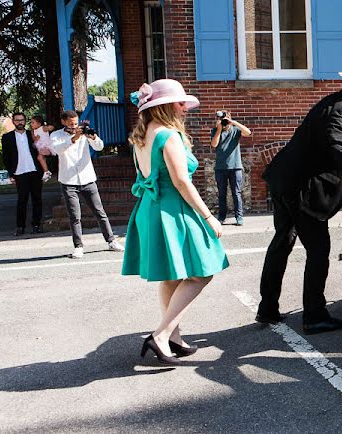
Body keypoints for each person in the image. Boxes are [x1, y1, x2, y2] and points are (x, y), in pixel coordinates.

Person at [257, 59, 342, 334]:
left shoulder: (332, 104)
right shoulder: (340, 111)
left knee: (281, 244)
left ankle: (267, 309)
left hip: (285, 181)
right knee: (318, 251)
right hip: (301, 191)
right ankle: (314, 316)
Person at [121, 79, 229, 365]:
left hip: (150, 209)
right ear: (166, 106)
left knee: (172, 275)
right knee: (203, 270)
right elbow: (182, 181)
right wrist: (209, 217)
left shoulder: (142, 137)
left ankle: (173, 336)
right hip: (172, 208)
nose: (185, 108)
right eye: (181, 103)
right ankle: (162, 334)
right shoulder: (168, 135)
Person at [50, 110, 125, 259]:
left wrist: (93, 137)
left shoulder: (83, 133)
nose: (74, 126)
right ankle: (78, 246)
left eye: (76, 123)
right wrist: (73, 138)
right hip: (68, 181)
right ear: (64, 122)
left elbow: (99, 147)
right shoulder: (56, 135)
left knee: (100, 212)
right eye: (71, 124)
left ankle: (111, 241)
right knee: (74, 216)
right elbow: (57, 150)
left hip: (87, 178)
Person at [1, 112, 43, 235]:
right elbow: (6, 157)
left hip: (35, 171)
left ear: (25, 121)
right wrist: (11, 173)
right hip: (19, 172)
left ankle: (37, 225)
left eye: (22, 120)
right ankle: (20, 227)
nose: (20, 122)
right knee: (22, 200)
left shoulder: (32, 134)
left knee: (37, 199)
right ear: (13, 121)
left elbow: (42, 149)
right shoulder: (7, 137)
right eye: (17, 120)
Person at [210, 111, 251, 226]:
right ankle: (222, 217)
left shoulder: (236, 131)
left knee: (236, 193)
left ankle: (239, 217)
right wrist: (219, 129)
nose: (224, 123)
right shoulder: (215, 131)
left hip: (235, 167)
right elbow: (214, 144)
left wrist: (233, 122)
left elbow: (248, 132)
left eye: (225, 120)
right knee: (222, 193)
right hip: (220, 168)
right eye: (221, 119)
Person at [29, 115, 54, 181]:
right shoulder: (33, 131)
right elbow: (34, 139)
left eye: (33, 122)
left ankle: (46, 171)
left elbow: (51, 127)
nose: (31, 124)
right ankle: (46, 171)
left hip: (46, 146)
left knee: (39, 158)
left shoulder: (43, 128)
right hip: (40, 147)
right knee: (42, 159)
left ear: (39, 123)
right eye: (31, 122)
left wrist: (49, 127)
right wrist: (36, 139)